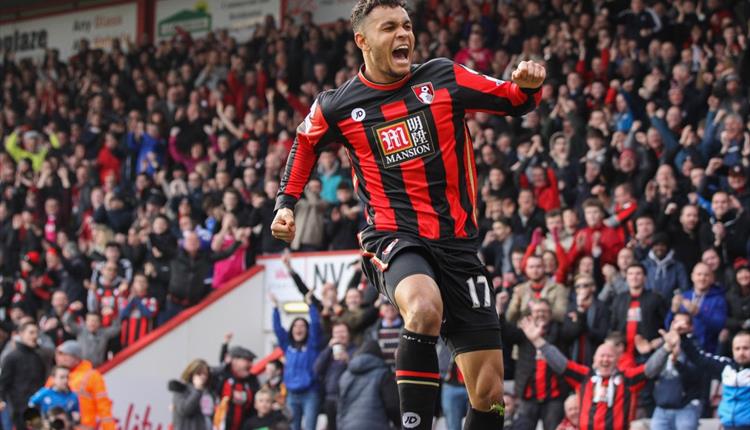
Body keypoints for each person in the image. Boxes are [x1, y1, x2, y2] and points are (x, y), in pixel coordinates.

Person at [271, 2, 546, 428]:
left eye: (407, 26)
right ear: (362, 40)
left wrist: (528, 86)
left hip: (458, 246)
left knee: (490, 395)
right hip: (394, 237)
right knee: (422, 307)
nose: (403, 35)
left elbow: (513, 101)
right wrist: (286, 203)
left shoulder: (442, 76)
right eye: (389, 28)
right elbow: (304, 143)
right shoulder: (338, 106)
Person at [518, 315, 672, 430]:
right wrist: (537, 341)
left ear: (617, 359)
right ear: (594, 359)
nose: (605, 359)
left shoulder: (627, 378)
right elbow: (560, 363)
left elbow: (650, 369)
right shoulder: (584, 376)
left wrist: (666, 348)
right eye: (601, 356)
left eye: (609, 356)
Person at [679, 329, 750, 430]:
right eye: (737, 349)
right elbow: (699, 358)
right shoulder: (726, 366)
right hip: (727, 426)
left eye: (746, 348)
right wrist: (683, 336)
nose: (741, 352)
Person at [271, 292, 321, 430]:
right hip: (292, 395)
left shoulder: (312, 345)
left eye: (302, 326)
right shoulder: (287, 346)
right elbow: (277, 329)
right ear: (292, 330)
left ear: (307, 330)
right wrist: (275, 308)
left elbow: (315, 324)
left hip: (310, 393)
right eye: (296, 326)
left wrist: (310, 305)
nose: (299, 329)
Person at [650, 312, 702, 430]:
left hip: (686, 407)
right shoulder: (664, 344)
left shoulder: (694, 347)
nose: (678, 326)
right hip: (661, 407)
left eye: (683, 323)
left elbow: (696, 376)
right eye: (676, 322)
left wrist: (677, 363)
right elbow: (650, 371)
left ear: (691, 327)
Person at [337, 340, 400, 430]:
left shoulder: (345, 376)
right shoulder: (383, 374)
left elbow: (340, 407)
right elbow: (393, 406)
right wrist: (398, 424)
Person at [53, 340, 115, 429]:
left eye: (65, 355)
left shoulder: (92, 376)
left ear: (76, 358)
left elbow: (103, 407)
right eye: (59, 355)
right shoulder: (55, 376)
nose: (60, 358)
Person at [0, 321, 51, 429]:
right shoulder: (11, 357)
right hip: (19, 408)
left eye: (36, 333)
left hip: (38, 406)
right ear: (21, 334)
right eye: (31, 333)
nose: (35, 336)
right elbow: (3, 384)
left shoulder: (40, 356)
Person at [314, 321, 356, 430]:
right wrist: (328, 348)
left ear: (349, 334)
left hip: (349, 397)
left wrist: (348, 359)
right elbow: (317, 369)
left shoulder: (355, 350)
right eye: (336, 332)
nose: (340, 335)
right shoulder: (329, 351)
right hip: (330, 397)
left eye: (342, 332)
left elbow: (359, 369)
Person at [211, 345, 260, 430]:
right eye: (247, 361)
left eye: (251, 361)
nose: (251, 365)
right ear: (234, 360)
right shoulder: (221, 376)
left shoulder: (252, 380)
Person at [168, 358, 216, 430]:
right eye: (199, 373)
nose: (203, 376)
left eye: (205, 374)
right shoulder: (181, 389)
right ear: (191, 374)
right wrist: (197, 391)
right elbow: (185, 410)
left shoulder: (208, 392)